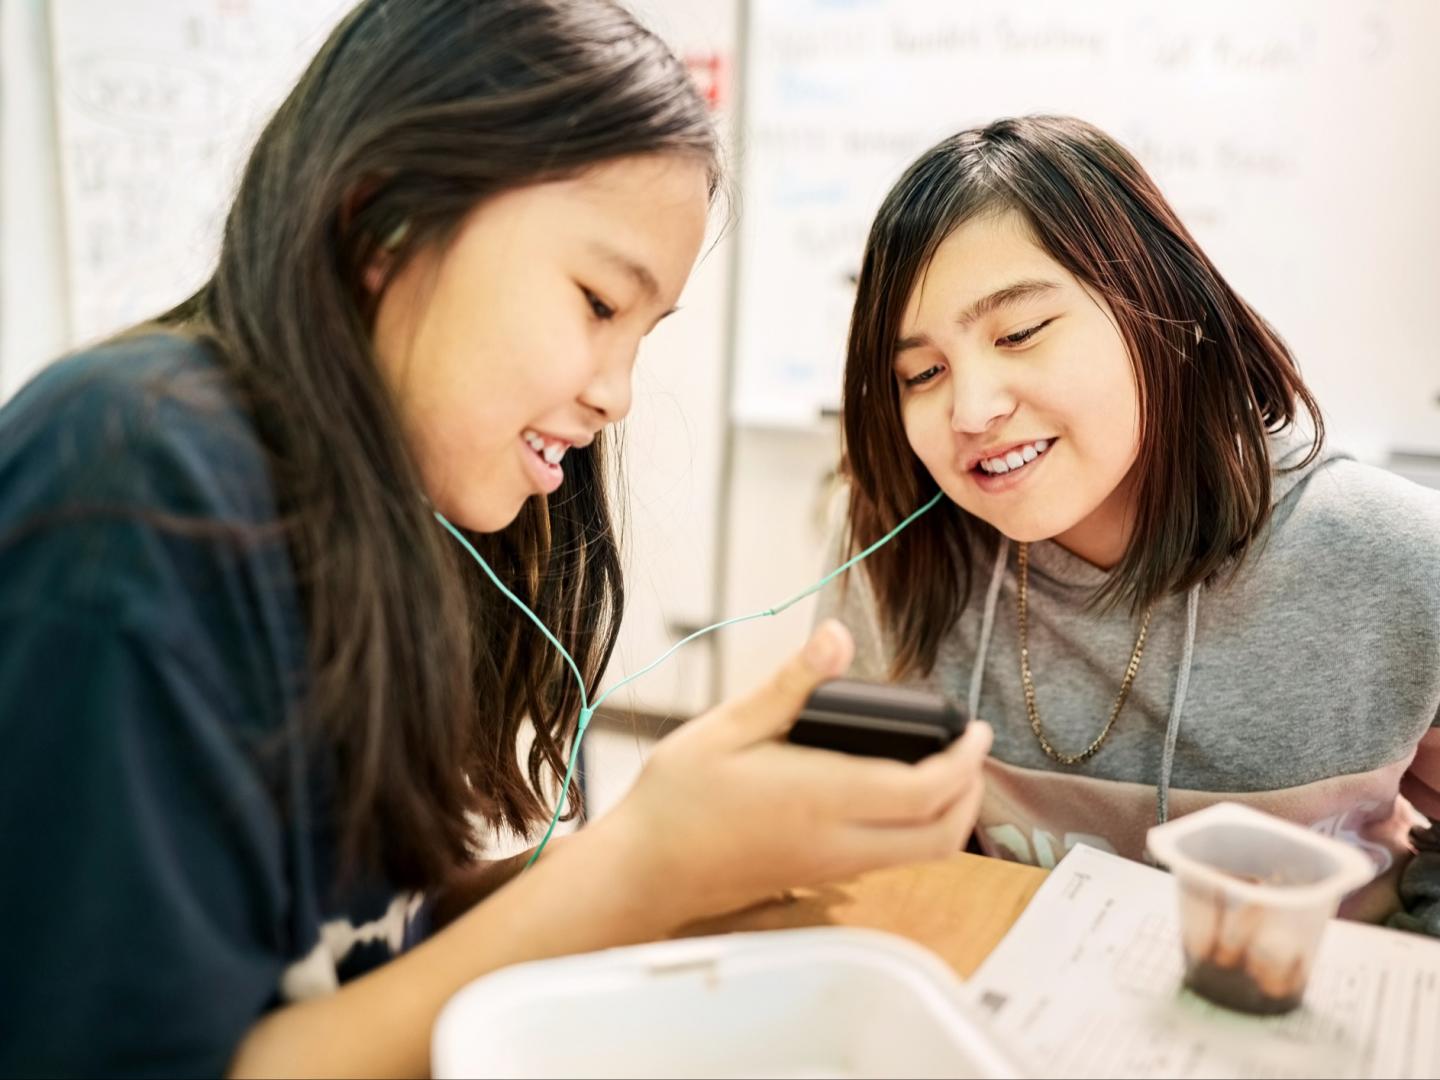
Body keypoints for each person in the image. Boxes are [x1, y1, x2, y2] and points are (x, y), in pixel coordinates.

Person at [0, 2, 991, 1075]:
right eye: (598, 302)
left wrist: (682, 847)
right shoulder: (139, 476)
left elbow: (361, 952)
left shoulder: (391, 502)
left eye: (642, 335)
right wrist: (644, 867)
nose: (614, 394)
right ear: (383, 222)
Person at [819, 114, 1440, 933]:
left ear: (1157, 307)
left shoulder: (1396, 560)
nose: (971, 410)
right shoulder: (899, 550)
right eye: (922, 372)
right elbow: (860, 840)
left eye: (1020, 332)